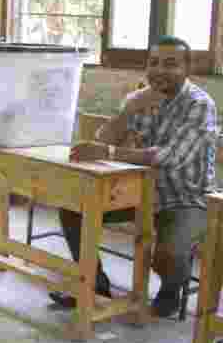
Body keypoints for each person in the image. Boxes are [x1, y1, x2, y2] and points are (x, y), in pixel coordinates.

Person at [49, 36, 217, 318]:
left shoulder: (199, 105)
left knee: (168, 255)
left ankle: (171, 290)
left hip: (187, 198)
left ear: (187, 68)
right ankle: (96, 285)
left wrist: (110, 151)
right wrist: (128, 109)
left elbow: (168, 157)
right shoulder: (142, 98)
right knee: (74, 209)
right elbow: (102, 141)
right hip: (141, 192)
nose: (160, 70)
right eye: (154, 63)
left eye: (170, 64)